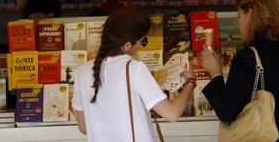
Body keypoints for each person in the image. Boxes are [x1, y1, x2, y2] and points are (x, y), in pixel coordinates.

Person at [201, 0, 279, 142]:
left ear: (250, 13)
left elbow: (227, 111)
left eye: (239, 16)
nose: (239, 23)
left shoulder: (248, 58)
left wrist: (215, 73)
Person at [73, 8, 196, 142]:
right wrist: (190, 81)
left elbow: (83, 127)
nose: (141, 46)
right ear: (126, 45)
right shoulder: (134, 69)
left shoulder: (83, 71)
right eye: (142, 41)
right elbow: (172, 114)